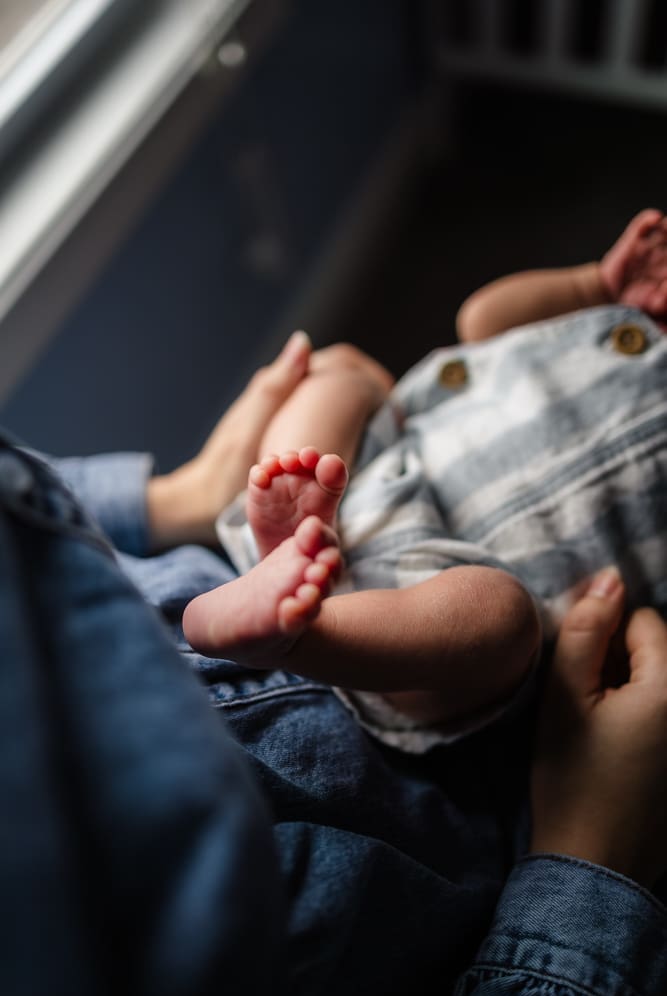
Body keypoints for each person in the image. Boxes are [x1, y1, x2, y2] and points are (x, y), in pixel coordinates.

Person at [0, 325, 666, 996]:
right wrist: (586, 856)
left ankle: (281, 594)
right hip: (425, 659)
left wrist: (591, 284)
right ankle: (302, 631)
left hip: (347, 502)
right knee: (502, 615)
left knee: (338, 381)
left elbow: (486, 316)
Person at [182, 208, 667, 754]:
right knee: (342, 379)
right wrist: (595, 284)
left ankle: (298, 633)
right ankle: (288, 535)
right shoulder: (637, 322)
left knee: (503, 618)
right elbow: (484, 321)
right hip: (369, 475)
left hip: (442, 588)